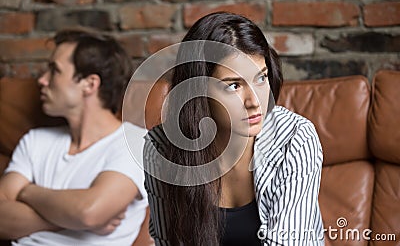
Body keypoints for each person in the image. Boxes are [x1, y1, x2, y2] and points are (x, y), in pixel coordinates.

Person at [143, 12, 324, 245]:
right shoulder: (160, 149)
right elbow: (167, 240)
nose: (255, 102)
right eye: (234, 85)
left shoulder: (295, 139)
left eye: (261, 78)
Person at [0, 28, 148, 245]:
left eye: (54, 71)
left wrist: (27, 191)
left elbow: (89, 212)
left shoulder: (135, 142)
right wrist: (69, 220)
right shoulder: (35, 140)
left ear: (89, 84)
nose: (42, 80)